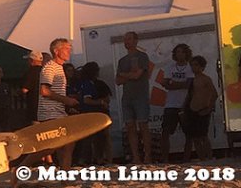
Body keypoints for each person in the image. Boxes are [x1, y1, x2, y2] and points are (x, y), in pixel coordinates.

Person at [38, 38, 78, 168]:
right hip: (50, 113)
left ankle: (65, 172)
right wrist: (67, 100)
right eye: (66, 49)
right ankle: (22, 166)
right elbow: (44, 91)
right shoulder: (50, 67)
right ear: (56, 51)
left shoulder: (59, 67)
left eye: (70, 49)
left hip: (57, 112)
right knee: (54, 146)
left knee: (64, 145)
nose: (69, 51)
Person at [116, 31, 153, 164]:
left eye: (129, 39)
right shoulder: (122, 61)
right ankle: (136, 157)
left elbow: (137, 75)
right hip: (127, 97)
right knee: (130, 127)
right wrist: (129, 75)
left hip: (140, 96)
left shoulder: (142, 56)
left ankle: (147, 156)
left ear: (136, 41)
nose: (127, 42)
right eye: (125, 39)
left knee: (143, 125)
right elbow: (118, 81)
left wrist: (125, 75)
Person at [156, 43, 193, 161]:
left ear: (186, 53)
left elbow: (189, 84)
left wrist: (173, 83)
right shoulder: (170, 67)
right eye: (177, 52)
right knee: (166, 131)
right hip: (171, 104)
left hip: (186, 104)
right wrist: (178, 84)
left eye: (182, 52)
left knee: (188, 132)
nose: (180, 54)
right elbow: (166, 84)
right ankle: (165, 158)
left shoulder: (190, 67)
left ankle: (186, 158)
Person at [74, 61, 112, 165]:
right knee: (95, 137)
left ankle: (91, 159)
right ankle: (93, 159)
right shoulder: (88, 84)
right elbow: (87, 100)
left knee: (92, 137)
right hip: (92, 114)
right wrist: (101, 102)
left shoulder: (82, 83)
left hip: (87, 113)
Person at [184, 55, 217, 160]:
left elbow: (214, 94)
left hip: (203, 110)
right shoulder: (192, 80)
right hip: (192, 110)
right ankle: (202, 158)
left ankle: (209, 157)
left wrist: (209, 108)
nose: (194, 67)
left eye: (196, 65)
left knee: (203, 136)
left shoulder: (206, 79)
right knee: (195, 137)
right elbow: (190, 95)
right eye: (192, 65)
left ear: (202, 67)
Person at [21, 50, 44, 128]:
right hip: (47, 110)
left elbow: (25, 90)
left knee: (36, 131)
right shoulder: (47, 71)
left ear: (32, 60)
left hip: (34, 109)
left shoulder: (30, 72)